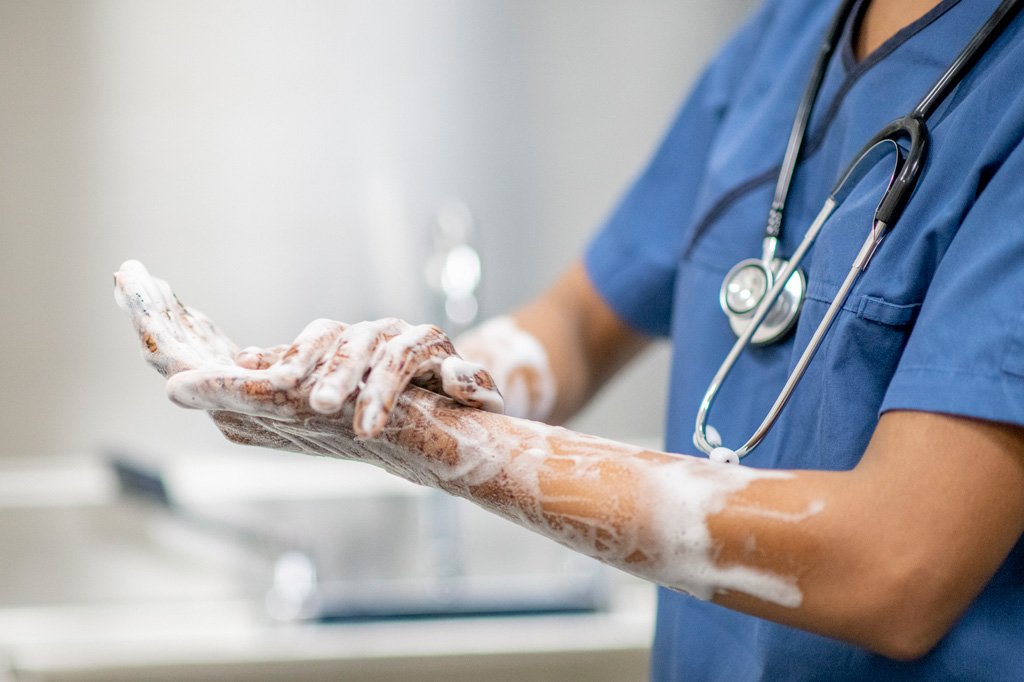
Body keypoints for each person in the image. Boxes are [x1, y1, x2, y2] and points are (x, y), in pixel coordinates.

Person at [115, 0, 1024, 678]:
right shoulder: (791, 41)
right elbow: (576, 330)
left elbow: (901, 565)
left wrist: (449, 444)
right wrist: (418, 373)